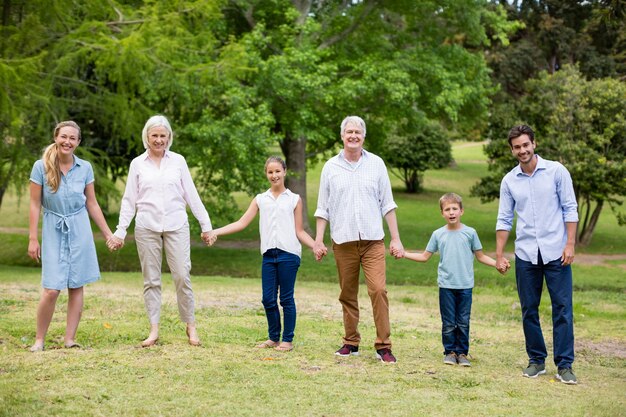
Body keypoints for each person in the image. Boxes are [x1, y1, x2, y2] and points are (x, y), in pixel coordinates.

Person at [107, 115, 212, 347]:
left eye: (163, 136)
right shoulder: (137, 164)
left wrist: (206, 226)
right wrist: (120, 231)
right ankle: (154, 329)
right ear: (147, 137)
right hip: (147, 226)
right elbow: (129, 200)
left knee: (182, 275)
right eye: (154, 135)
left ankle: (190, 324)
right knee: (151, 280)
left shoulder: (178, 161)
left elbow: (191, 195)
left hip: (177, 225)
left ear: (169, 137)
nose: (158, 140)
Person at [313, 115, 404, 363]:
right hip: (343, 242)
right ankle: (350, 342)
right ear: (342, 136)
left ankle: (384, 346)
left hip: (373, 241)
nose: (353, 136)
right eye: (349, 131)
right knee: (347, 293)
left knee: (378, 290)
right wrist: (318, 241)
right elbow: (323, 208)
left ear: (363, 136)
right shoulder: (330, 167)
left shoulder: (376, 164)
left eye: (358, 132)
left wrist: (395, 239)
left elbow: (388, 204)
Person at [206, 156, 321, 351]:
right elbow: (241, 223)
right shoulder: (261, 199)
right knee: (267, 299)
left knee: (286, 298)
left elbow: (300, 230)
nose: (274, 175)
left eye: (278, 171)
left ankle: (287, 340)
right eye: (270, 172)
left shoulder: (294, 199)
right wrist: (215, 231)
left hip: (289, 254)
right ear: (266, 174)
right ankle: (273, 338)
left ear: (284, 171)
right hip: (269, 255)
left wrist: (316, 245)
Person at [495, 124, 579, 385]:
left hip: (556, 253)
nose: (522, 150)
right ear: (512, 150)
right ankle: (537, 360)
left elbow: (570, 208)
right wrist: (499, 255)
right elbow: (504, 218)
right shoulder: (509, 181)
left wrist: (570, 244)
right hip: (526, 255)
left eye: (525, 145)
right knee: (529, 309)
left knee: (562, 309)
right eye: (517, 147)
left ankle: (565, 365)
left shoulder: (556, 171)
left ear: (534, 144)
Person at [27, 121, 114, 352]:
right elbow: (35, 205)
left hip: (80, 227)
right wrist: (33, 238)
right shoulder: (40, 166)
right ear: (56, 137)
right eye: (64, 136)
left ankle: (69, 339)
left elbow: (92, 204)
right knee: (52, 288)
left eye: (72, 138)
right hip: (53, 227)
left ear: (78, 142)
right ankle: (39, 340)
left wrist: (108, 234)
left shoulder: (85, 168)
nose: (67, 141)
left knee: (76, 284)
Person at [401, 193, 505, 366]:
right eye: (447, 209)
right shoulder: (438, 234)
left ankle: (462, 353)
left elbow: (480, 256)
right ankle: (449, 352)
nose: (451, 212)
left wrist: (497, 264)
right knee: (449, 322)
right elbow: (425, 256)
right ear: (442, 213)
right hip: (446, 286)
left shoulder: (470, 233)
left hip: (465, 286)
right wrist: (404, 254)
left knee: (463, 322)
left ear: (461, 211)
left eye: (454, 209)